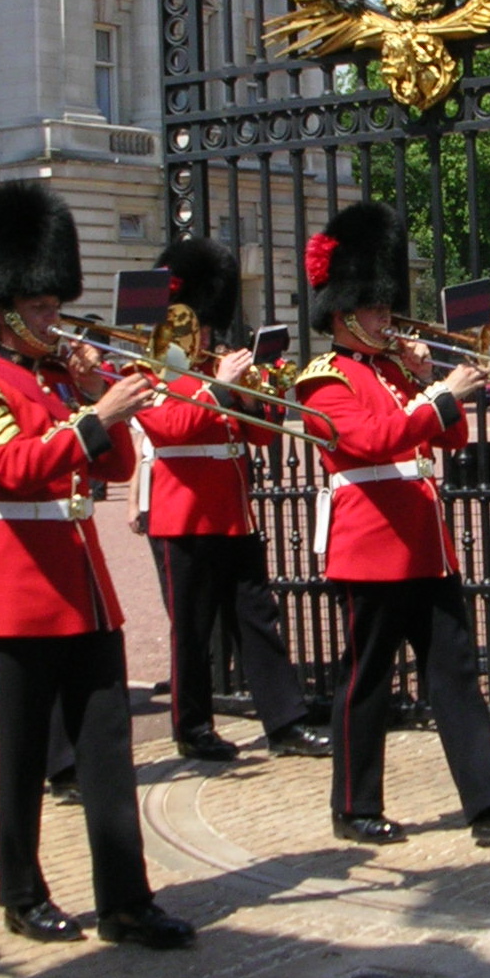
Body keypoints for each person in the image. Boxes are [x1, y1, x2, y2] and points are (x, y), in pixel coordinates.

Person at [0, 180, 193, 947]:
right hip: (18, 587)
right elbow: (11, 468)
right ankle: (20, 888)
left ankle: (124, 897)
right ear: (4, 305)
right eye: (41, 307)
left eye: (55, 305)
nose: (55, 318)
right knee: (18, 756)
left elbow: (110, 472)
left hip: (82, 584)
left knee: (109, 751)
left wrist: (93, 397)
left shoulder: (56, 380)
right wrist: (92, 415)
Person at [294, 201, 490, 850]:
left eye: (387, 306)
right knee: (367, 681)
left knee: (455, 676)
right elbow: (372, 441)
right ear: (343, 311)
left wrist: (429, 379)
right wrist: (435, 397)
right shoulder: (321, 381)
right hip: (371, 545)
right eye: (376, 308)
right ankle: (354, 805)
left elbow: (454, 437)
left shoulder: (391, 372)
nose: (388, 318)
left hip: (424, 545)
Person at [135, 236, 330, 762]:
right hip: (184, 516)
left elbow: (262, 436)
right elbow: (170, 428)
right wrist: (219, 388)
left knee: (257, 620)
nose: (203, 335)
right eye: (195, 326)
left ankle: (285, 722)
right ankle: (191, 727)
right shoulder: (151, 372)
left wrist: (247, 394)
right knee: (191, 633)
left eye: (204, 325)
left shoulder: (213, 368)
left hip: (233, 515)